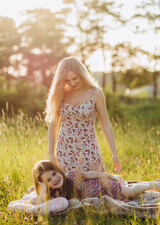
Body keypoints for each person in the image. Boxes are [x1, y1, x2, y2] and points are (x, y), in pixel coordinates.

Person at [45, 57, 121, 174]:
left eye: (75, 78)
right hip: (65, 150)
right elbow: (54, 124)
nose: (72, 83)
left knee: (95, 187)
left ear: (82, 74)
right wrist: (51, 153)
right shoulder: (61, 93)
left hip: (88, 149)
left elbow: (105, 123)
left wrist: (114, 153)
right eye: (67, 80)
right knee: (68, 189)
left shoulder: (95, 93)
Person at [32, 160, 160, 203]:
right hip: (102, 196)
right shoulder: (54, 195)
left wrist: (107, 175)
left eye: (54, 174)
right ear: (43, 184)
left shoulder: (71, 175)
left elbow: (89, 174)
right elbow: (39, 205)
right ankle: (149, 186)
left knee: (129, 193)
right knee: (131, 196)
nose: (54, 179)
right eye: (48, 180)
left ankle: (153, 184)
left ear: (58, 170)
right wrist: (43, 188)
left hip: (104, 186)